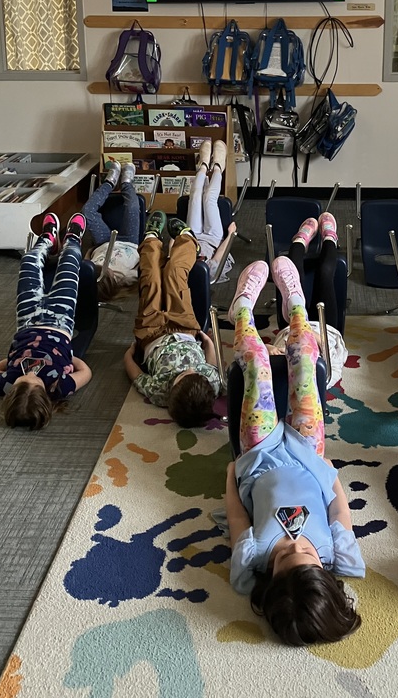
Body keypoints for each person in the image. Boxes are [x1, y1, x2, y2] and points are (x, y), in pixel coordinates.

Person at [225, 256, 365, 646]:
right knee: (305, 355)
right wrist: (331, 476)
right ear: (323, 569)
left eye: (286, 556)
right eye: (306, 551)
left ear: (270, 577)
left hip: (259, 456)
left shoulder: (253, 555)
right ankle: (297, 306)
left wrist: (231, 476)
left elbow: (237, 515)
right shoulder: (337, 553)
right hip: (307, 453)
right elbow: (340, 512)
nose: (294, 544)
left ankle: (242, 310)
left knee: (257, 363)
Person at [0, 213, 93, 430]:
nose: (28, 374)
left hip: (27, 320)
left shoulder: (4, 384)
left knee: (28, 261)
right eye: (33, 381)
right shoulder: (59, 387)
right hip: (60, 320)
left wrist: (10, 362)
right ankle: (73, 237)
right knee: (70, 261)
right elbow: (86, 373)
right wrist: (69, 358)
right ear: (45, 394)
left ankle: (48, 239)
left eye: (21, 381)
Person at [123, 210, 222, 427]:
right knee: (174, 275)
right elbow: (213, 365)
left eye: (180, 376)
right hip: (184, 327)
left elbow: (136, 375)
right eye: (192, 372)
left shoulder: (160, 393)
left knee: (151, 280)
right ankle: (187, 240)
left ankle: (151, 238)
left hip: (151, 333)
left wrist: (129, 355)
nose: (186, 371)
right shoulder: (210, 383)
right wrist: (208, 342)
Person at [268, 212, 347, 387]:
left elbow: (254, 352)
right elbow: (331, 352)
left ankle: (299, 241)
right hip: (325, 327)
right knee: (325, 273)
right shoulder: (325, 377)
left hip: (289, 326)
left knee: (293, 272)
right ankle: (330, 238)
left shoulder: (277, 376)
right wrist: (305, 332)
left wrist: (270, 350)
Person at [82, 160, 140, 302]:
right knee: (132, 207)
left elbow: (86, 260)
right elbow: (143, 266)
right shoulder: (125, 277)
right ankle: (126, 183)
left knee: (87, 212)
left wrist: (90, 251)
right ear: (112, 280)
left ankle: (109, 182)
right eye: (107, 273)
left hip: (104, 242)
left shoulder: (92, 273)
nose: (104, 268)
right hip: (130, 242)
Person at [187, 138, 236, 283]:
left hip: (192, 237)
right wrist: (230, 235)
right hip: (214, 239)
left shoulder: (181, 268)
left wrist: (176, 236)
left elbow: (173, 251)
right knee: (209, 198)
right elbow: (221, 253)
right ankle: (218, 167)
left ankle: (202, 166)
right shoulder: (208, 272)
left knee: (195, 196)